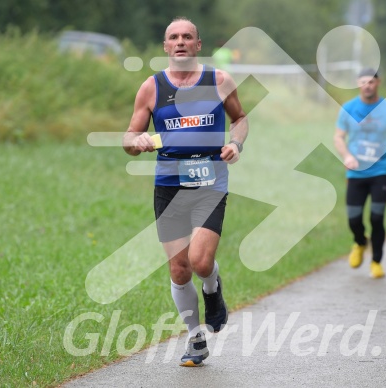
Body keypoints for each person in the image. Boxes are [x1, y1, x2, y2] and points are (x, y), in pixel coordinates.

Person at [122, 17, 248, 366]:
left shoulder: (219, 80)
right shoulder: (151, 87)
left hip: (210, 180)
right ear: (165, 47)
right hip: (169, 184)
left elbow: (240, 119)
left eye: (187, 37)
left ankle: (213, 289)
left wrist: (236, 144)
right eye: (173, 37)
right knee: (179, 269)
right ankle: (195, 338)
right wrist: (138, 141)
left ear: (198, 45)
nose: (180, 42)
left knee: (200, 261)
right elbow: (128, 138)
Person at [334, 68, 386, 279]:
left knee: (377, 217)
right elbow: (339, 137)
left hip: (381, 171)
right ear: (358, 84)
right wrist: (347, 156)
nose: (368, 85)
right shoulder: (348, 108)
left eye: (372, 82)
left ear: (378, 83)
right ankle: (359, 242)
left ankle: (376, 262)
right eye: (364, 82)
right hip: (357, 172)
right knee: (353, 219)